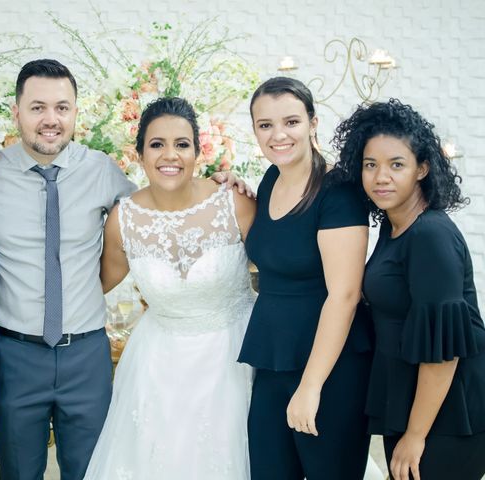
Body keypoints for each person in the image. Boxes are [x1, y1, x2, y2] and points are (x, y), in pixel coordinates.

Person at [82, 96, 257, 479]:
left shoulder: (235, 204)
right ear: (140, 153)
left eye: (182, 144)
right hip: (157, 367)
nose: (170, 155)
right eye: (157, 144)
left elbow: (284, 268)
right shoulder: (124, 219)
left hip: (233, 357)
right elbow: (91, 285)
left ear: (198, 151)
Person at [331, 99, 485, 480]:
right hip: (411, 397)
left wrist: (416, 436)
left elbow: (444, 353)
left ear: (423, 168)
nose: (381, 176)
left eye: (396, 164)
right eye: (371, 165)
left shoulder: (430, 234)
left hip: (449, 411)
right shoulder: (393, 225)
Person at [238, 77, 374, 479]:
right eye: (265, 125)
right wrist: (232, 187)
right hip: (273, 356)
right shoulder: (269, 180)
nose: (278, 134)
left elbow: (345, 295)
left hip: (329, 367)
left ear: (313, 123)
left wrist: (311, 386)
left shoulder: (338, 189)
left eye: (291, 121)